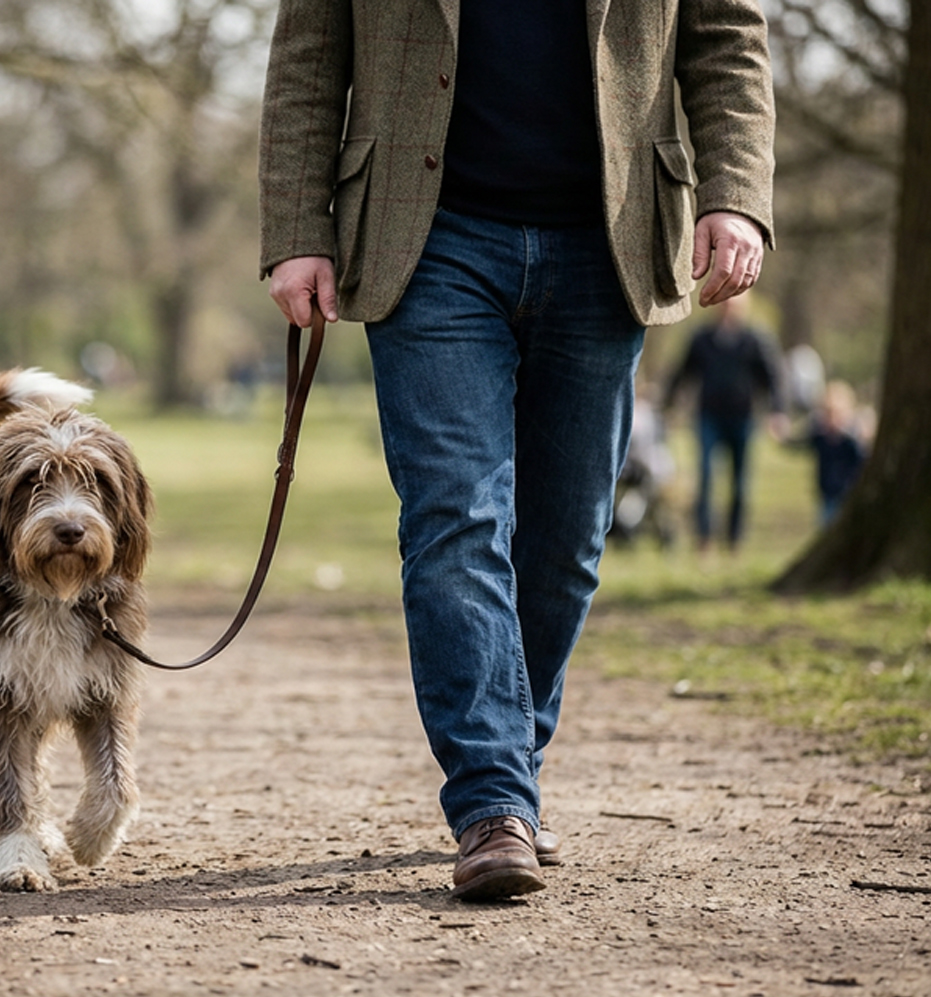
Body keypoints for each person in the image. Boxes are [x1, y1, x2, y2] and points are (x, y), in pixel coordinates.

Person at [259, 0, 774, 901]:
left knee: (567, 540)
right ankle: (492, 801)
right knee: (456, 516)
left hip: (610, 236)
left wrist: (736, 194)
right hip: (427, 240)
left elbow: (727, 39)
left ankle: (513, 769)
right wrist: (298, 229)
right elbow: (310, 53)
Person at [662, 295, 789, 552]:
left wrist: (778, 411)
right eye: (725, 304)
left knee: (740, 481)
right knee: (706, 476)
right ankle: (704, 539)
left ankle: (734, 539)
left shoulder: (755, 339)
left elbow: (773, 377)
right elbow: (683, 371)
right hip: (708, 416)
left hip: (743, 418)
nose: (729, 309)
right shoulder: (702, 338)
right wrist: (668, 404)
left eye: (734, 305)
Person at [803, 380, 868, 525]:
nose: (832, 420)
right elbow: (800, 443)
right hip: (827, 492)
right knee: (826, 522)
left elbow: (863, 459)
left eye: (836, 415)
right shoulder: (819, 438)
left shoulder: (850, 442)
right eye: (827, 415)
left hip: (847, 492)